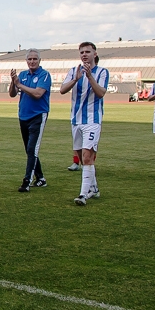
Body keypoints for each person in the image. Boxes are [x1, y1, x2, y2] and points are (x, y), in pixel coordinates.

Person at [59, 42, 109, 206]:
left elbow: (101, 93)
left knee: (88, 156)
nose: (84, 54)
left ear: (95, 54)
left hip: (92, 120)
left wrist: (89, 77)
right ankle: (94, 188)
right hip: (76, 120)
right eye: (82, 52)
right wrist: (76, 79)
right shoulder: (74, 70)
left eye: (88, 51)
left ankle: (83, 194)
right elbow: (62, 90)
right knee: (82, 158)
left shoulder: (102, 72)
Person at [9, 49, 51, 192]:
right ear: (26, 61)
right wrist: (13, 82)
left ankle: (27, 181)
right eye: (30, 59)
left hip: (38, 116)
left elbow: (38, 94)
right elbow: (12, 94)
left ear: (39, 60)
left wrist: (20, 85)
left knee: (32, 149)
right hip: (23, 115)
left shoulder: (44, 75)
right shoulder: (22, 75)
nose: (32, 61)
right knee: (29, 149)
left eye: (34, 59)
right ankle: (41, 178)